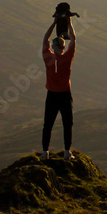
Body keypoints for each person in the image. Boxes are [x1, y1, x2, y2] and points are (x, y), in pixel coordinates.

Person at [41, 17, 76, 160]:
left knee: (48, 124)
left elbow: (45, 40)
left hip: (51, 95)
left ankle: (45, 152)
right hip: (65, 95)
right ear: (62, 47)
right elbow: (73, 40)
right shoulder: (66, 58)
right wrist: (69, 24)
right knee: (67, 123)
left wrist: (54, 23)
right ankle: (67, 152)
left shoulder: (48, 58)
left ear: (53, 47)